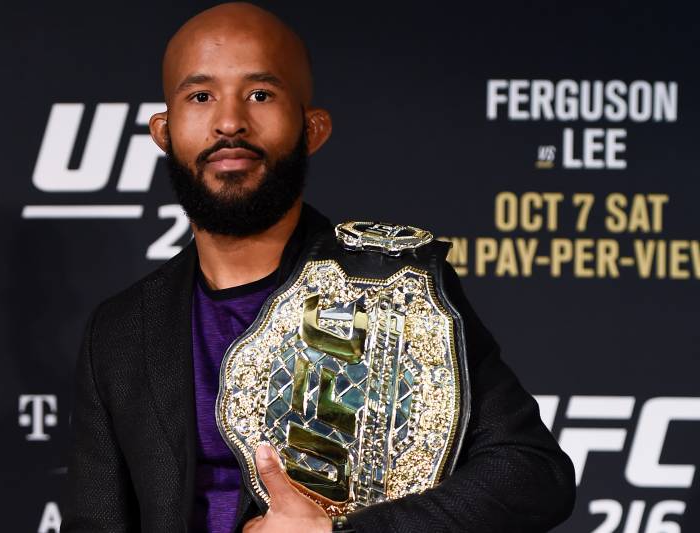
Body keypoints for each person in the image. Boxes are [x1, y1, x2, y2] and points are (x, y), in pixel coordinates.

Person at [61, 3, 576, 532]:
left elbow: (532, 472)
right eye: (201, 96)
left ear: (313, 129)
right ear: (165, 131)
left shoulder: (398, 284)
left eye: (261, 94)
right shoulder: (120, 331)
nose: (230, 121)